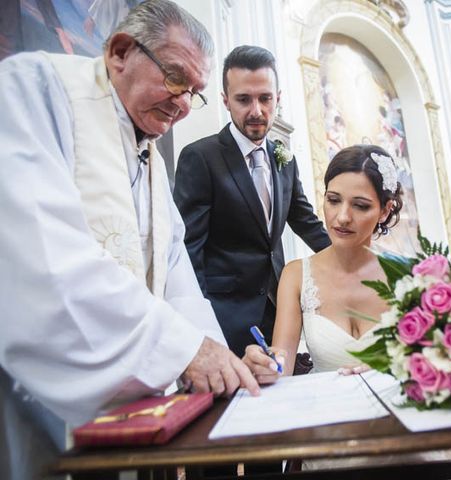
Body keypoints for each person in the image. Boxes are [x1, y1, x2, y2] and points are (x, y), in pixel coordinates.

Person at [0, 2, 258, 479]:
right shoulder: (34, 87)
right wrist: (183, 350)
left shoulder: (151, 158)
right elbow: (42, 254)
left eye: (195, 93)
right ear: (120, 52)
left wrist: (220, 357)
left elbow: (174, 268)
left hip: (126, 413)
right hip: (36, 397)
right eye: (177, 80)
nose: (183, 103)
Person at [174, 45, 331, 357]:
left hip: (279, 313)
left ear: (278, 99)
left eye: (265, 98)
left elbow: (306, 222)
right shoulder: (201, 157)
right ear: (225, 101)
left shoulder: (284, 160)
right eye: (244, 99)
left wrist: (353, 261)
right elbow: (187, 250)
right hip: (223, 320)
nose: (257, 110)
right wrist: (200, 329)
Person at [242, 144, 402, 382]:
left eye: (360, 206)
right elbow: (281, 365)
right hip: (324, 412)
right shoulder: (296, 275)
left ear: (385, 211)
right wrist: (263, 364)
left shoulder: (408, 275)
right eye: (334, 200)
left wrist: (398, 366)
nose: (343, 217)